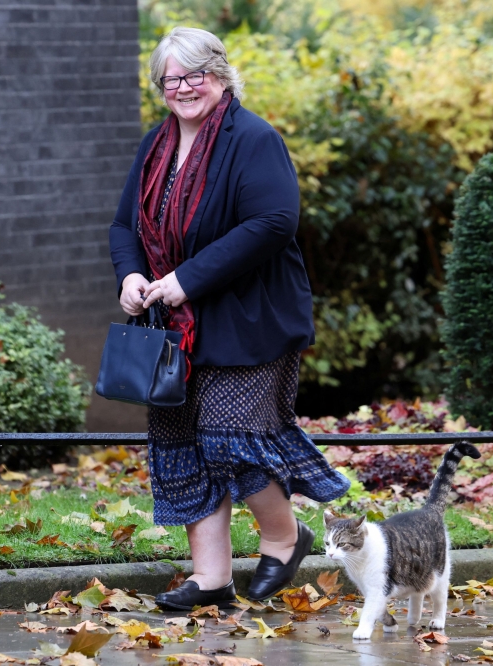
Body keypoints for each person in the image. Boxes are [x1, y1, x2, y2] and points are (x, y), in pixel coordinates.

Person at [109, 26, 350, 610]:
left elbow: (273, 223)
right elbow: (124, 226)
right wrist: (131, 275)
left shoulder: (252, 138)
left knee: (230, 440)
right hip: (174, 326)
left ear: (219, 74)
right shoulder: (155, 144)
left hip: (250, 318)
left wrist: (186, 278)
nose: (185, 87)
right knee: (183, 443)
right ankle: (211, 578)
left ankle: (284, 536)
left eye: (196, 75)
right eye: (172, 78)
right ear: (159, 86)